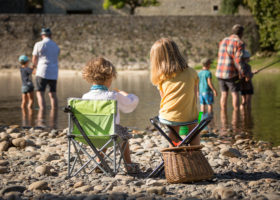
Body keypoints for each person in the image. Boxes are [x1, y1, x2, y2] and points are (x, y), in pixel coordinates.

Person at [82, 57, 140, 174]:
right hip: (109, 133)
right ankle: (128, 165)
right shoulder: (113, 95)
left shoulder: (85, 97)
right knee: (121, 132)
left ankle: (100, 161)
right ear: (109, 77)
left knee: (104, 128)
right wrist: (125, 94)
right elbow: (131, 103)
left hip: (87, 133)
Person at [150, 38, 199, 145]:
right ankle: (196, 152)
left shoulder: (162, 76)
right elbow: (195, 95)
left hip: (169, 117)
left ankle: (175, 153)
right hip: (191, 117)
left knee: (173, 127)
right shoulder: (192, 72)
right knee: (193, 129)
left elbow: (164, 97)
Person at [216, 24, 246, 111]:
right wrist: (242, 73)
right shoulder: (239, 43)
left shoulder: (223, 40)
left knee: (224, 94)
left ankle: (223, 113)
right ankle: (236, 114)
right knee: (234, 93)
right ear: (241, 33)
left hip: (219, 72)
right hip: (230, 73)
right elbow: (238, 60)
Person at [32, 28, 60, 110]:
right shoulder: (56, 46)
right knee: (53, 94)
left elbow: (34, 58)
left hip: (42, 71)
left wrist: (34, 67)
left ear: (42, 35)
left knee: (40, 93)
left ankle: (42, 112)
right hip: (53, 73)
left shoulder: (38, 44)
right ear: (50, 35)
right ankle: (55, 112)